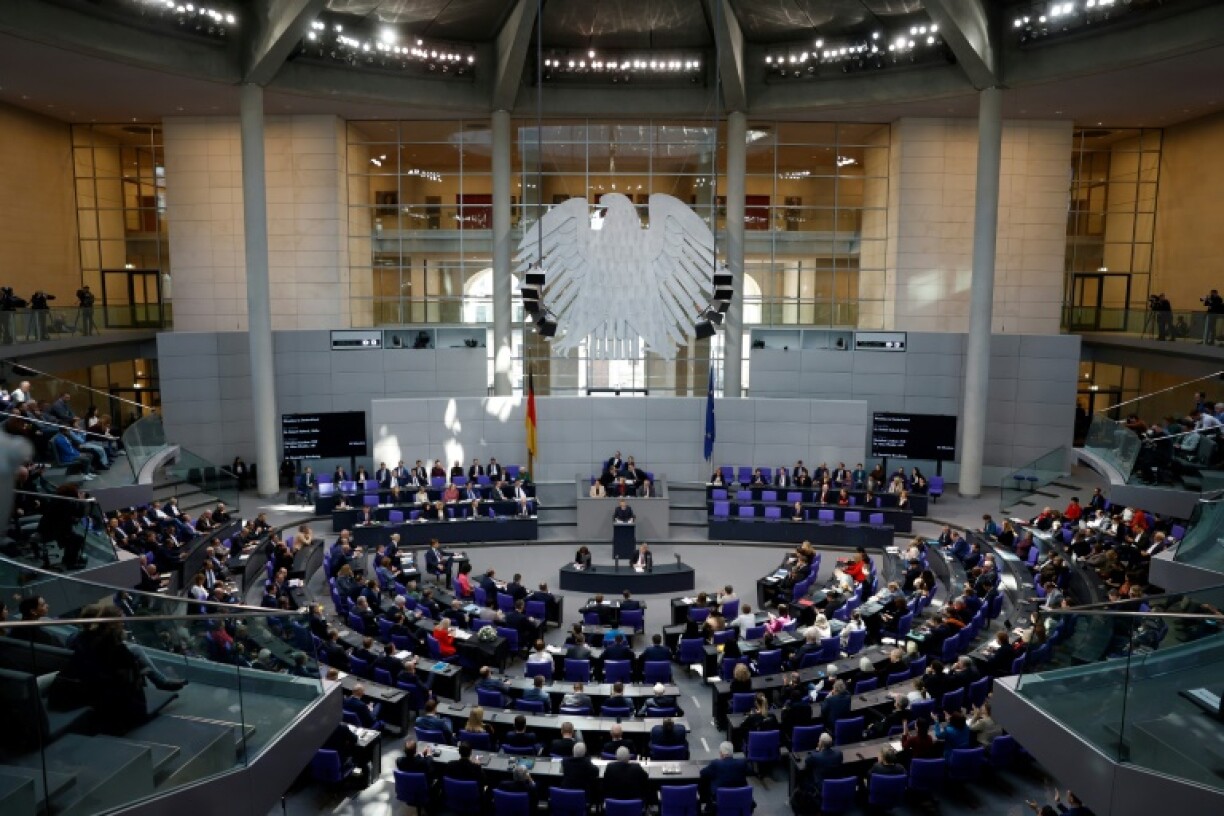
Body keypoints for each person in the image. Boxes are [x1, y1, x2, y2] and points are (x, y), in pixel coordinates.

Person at [791, 732, 842, 814]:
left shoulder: (815, 756)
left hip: (820, 786)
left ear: (820, 744)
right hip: (836, 784)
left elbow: (807, 761)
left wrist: (817, 750)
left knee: (802, 780)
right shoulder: (839, 754)